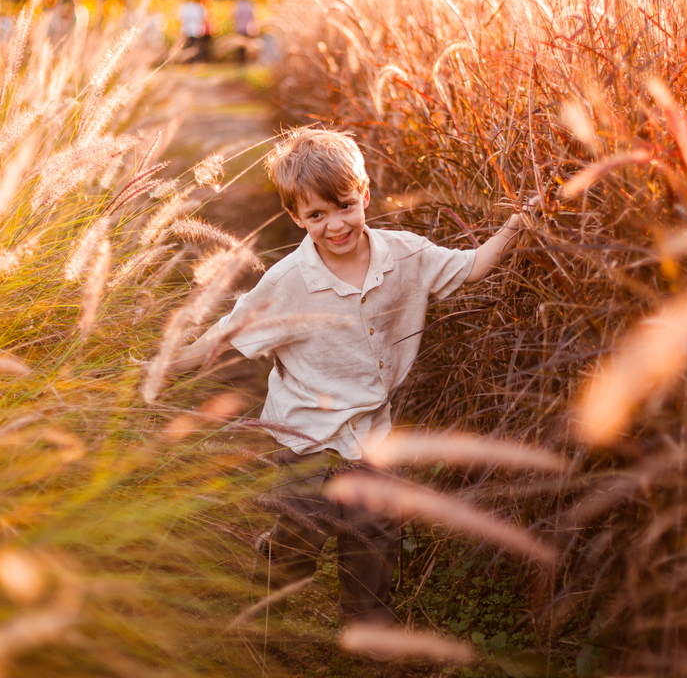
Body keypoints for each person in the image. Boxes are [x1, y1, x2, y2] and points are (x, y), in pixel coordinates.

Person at [164, 128, 526, 638]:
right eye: (316, 215)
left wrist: (516, 225)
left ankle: (368, 627)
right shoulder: (290, 282)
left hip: (370, 431)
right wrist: (162, 366)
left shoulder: (406, 256)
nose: (336, 225)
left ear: (364, 195)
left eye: (345, 206)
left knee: (375, 529)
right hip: (306, 430)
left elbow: (471, 268)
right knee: (303, 530)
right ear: (296, 218)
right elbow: (225, 336)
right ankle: (268, 590)